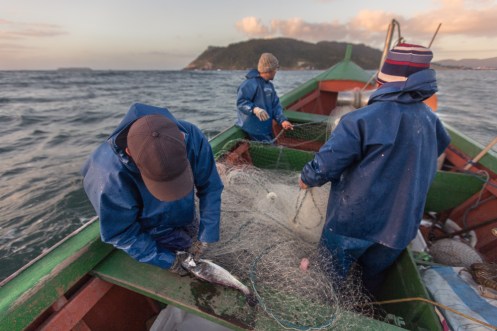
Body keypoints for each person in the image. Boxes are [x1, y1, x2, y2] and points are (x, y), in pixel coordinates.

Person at [298, 43, 451, 295]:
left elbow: (325, 165)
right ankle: (365, 306)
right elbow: (438, 148)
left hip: (352, 225)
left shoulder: (359, 120)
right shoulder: (431, 120)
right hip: (400, 230)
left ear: (382, 83)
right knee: (373, 279)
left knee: (328, 277)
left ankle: (325, 305)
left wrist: (306, 178)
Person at [81, 103, 224, 275]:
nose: (170, 194)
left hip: (186, 214)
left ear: (181, 138)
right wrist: (167, 260)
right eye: (162, 184)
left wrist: (207, 233)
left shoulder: (192, 135)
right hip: (152, 231)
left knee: (201, 250)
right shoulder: (106, 176)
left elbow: (210, 186)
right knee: (185, 267)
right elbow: (122, 232)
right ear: (129, 153)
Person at [236, 52, 294, 142]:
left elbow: (275, 105)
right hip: (253, 129)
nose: (276, 71)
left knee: (273, 147)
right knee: (271, 149)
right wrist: (255, 109)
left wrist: (282, 121)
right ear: (269, 70)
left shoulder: (269, 86)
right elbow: (241, 102)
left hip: (266, 129)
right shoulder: (250, 83)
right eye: (275, 69)